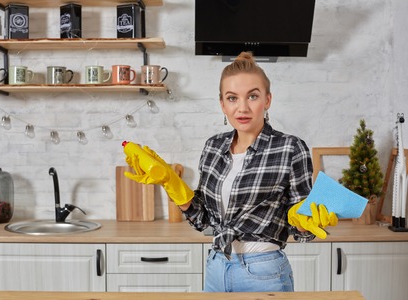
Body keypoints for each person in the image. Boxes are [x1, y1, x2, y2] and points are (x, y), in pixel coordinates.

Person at [123, 51, 338, 293]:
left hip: (263, 271)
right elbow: (204, 220)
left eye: (253, 96)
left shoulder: (290, 147)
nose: (242, 107)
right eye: (232, 98)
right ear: (222, 104)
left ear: (267, 100)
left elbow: (301, 225)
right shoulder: (213, 147)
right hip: (216, 266)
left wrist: (302, 219)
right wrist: (172, 183)